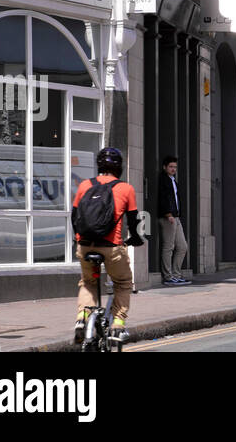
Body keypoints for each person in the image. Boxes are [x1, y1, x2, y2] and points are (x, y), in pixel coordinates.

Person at [72, 147, 145, 346]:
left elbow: (75, 216)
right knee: (122, 283)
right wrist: (137, 239)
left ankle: (82, 318)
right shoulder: (125, 188)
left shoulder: (85, 185)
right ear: (119, 167)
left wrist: (77, 240)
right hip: (111, 247)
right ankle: (118, 325)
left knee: (87, 282)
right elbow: (133, 221)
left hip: (85, 245)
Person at [158, 154, 190, 285]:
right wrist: (168, 214)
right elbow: (163, 198)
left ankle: (176, 274)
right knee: (168, 247)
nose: (173, 169)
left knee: (182, 246)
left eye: (175, 167)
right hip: (168, 217)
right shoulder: (163, 180)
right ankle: (168, 277)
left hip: (176, 217)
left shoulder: (173, 181)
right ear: (164, 167)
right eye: (171, 167)